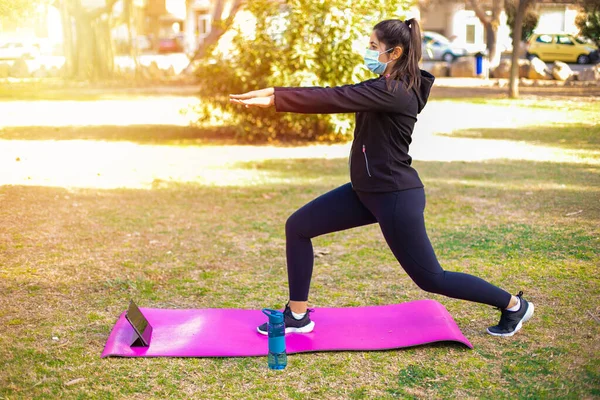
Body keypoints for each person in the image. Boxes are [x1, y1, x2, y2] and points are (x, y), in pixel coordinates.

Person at [230, 19, 534, 338]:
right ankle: (297, 315)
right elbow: (343, 96)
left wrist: (277, 97)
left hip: (393, 195)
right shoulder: (386, 85)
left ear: (395, 52)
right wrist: (278, 96)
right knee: (299, 226)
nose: (368, 51)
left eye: (374, 46)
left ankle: (514, 305)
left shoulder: (394, 91)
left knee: (432, 278)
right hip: (366, 191)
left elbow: (334, 97)